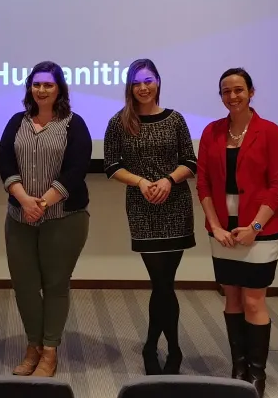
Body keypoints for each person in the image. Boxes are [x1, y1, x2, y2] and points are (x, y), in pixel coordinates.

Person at [197, 68, 278, 398]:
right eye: (225, 91)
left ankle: (257, 374)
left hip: (260, 231)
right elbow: (203, 184)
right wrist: (215, 226)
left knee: (253, 300)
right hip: (222, 232)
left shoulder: (270, 131)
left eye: (238, 90)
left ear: (251, 92)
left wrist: (255, 227)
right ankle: (238, 367)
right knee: (232, 297)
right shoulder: (212, 132)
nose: (232, 96)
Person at [104, 58, 197, 376]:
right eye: (137, 82)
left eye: (149, 80)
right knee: (161, 282)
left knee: (164, 283)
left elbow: (190, 161)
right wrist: (142, 182)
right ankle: (169, 348)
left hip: (176, 207)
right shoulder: (120, 122)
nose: (143, 87)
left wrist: (169, 180)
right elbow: (111, 166)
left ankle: (156, 346)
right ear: (130, 86)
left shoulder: (176, 120)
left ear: (158, 82)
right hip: (143, 209)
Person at [0, 61, 91, 378]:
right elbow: (5, 162)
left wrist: (43, 202)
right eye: (36, 85)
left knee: (55, 286)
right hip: (19, 218)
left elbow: (77, 169)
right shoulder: (17, 122)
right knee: (24, 286)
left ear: (59, 89)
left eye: (48, 85)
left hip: (64, 218)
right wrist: (25, 201)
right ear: (30, 88)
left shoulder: (73, 124)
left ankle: (50, 351)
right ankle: (33, 346)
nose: (41, 90)